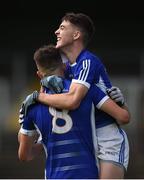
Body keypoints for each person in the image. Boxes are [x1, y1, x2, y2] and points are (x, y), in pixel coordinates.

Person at [20, 13, 130, 179]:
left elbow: (72, 101)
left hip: (108, 138)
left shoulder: (87, 62)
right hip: (87, 137)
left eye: (62, 28)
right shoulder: (67, 69)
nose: (57, 31)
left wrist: (36, 97)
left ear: (76, 35)